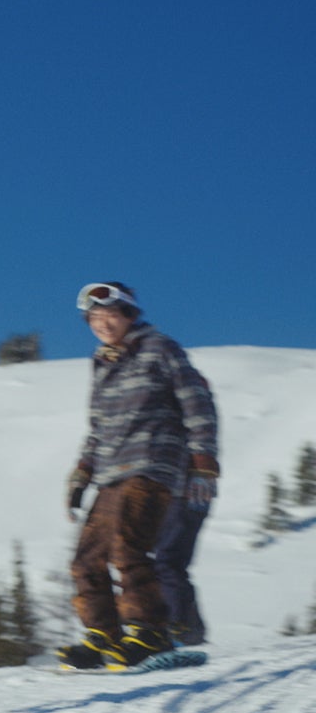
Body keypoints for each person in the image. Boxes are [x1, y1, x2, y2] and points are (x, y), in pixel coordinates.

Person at [57, 281, 220, 670]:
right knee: (85, 558)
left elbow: (198, 405)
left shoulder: (160, 348)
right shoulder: (102, 363)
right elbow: (97, 428)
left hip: (153, 464)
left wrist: (203, 463)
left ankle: (150, 631)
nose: (102, 323)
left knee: (128, 549)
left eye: (110, 315)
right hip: (112, 472)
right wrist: (81, 474)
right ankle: (103, 634)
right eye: (94, 318)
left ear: (129, 314)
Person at [155, 496, 211, 646]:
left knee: (167, 563)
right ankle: (187, 628)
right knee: (168, 563)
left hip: (184, 496)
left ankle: (180, 627)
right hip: (189, 497)